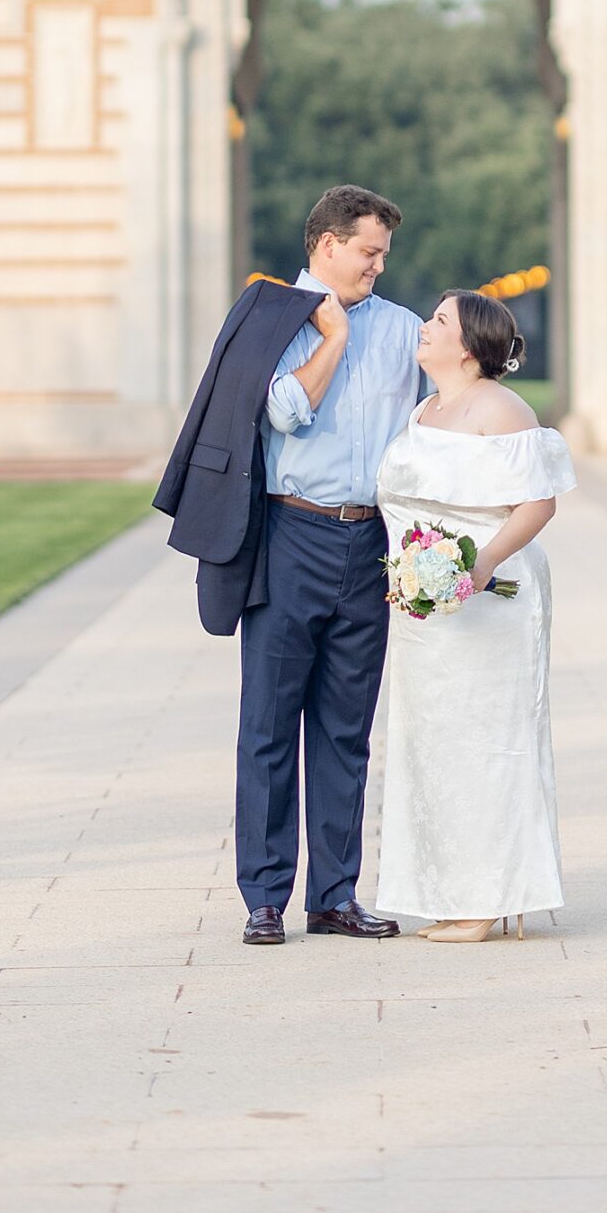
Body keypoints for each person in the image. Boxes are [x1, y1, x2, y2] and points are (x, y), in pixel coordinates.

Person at [231, 185, 426, 947]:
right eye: (368, 251)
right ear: (326, 245)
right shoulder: (271, 317)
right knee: (269, 724)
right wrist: (334, 340)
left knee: (347, 730)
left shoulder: (405, 328)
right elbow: (282, 411)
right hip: (289, 536)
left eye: (383, 254)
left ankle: (336, 894)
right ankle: (265, 896)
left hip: (369, 543)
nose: (378, 266)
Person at [375, 288, 576, 942]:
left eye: (438, 320)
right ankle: (447, 889)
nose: (424, 327)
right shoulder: (426, 408)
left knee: (486, 743)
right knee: (430, 746)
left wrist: (479, 564)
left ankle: (490, 898)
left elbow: (536, 503)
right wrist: (410, 576)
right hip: (423, 609)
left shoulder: (500, 408)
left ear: (466, 346)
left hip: (490, 601)